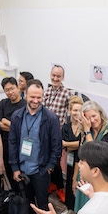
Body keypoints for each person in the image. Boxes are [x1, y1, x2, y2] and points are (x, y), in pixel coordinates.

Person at [8, 79, 62, 214]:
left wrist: (50, 167)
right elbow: (12, 142)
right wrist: (15, 168)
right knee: (27, 199)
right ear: (25, 95)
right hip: (23, 168)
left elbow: (56, 145)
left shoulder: (51, 118)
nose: (36, 100)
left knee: (43, 201)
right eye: (32, 97)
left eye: (39, 97)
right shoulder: (17, 116)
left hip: (41, 170)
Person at [73, 100, 108, 213]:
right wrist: (74, 178)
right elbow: (79, 157)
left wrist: (87, 131)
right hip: (84, 178)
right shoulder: (84, 133)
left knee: (97, 211)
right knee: (84, 210)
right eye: (88, 118)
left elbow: (94, 154)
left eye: (94, 116)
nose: (92, 121)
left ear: (100, 114)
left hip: (101, 180)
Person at [44, 65, 71, 200]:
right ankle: (54, 184)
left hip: (58, 132)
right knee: (50, 159)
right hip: (45, 131)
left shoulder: (66, 93)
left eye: (58, 76)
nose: (55, 78)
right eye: (53, 75)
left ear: (63, 77)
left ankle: (60, 187)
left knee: (56, 160)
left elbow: (71, 113)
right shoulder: (47, 91)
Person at [59, 96, 84, 214]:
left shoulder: (85, 127)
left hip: (82, 161)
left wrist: (68, 144)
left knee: (81, 184)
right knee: (69, 183)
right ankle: (70, 208)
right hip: (69, 160)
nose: (77, 113)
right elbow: (64, 145)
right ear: (69, 110)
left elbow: (84, 145)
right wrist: (77, 144)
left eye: (80, 110)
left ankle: (81, 210)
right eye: (74, 110)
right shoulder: (66, 127)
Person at [0, 77, 26, 171]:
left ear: (18, 87)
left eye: (12, 88)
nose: (10, 92)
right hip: (6, 144)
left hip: (20, 144)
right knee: (9, 170)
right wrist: (14, 126)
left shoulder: (25, 105)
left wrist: (5, 121)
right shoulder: (3, 103)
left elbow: (23, 128)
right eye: (7, 90)